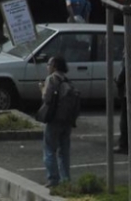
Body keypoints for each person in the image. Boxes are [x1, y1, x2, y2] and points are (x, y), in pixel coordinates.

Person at [41, 56, 77, 188]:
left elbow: (47, 99)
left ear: (54, 66)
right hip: (67, 119)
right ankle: (66, 179)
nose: (47, 67)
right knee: (64, 151)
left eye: (49, 64)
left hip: (54, 119)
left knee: (49, 149)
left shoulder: (51, 79)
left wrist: (42, 89)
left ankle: (53, 179)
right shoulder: (67, 79)